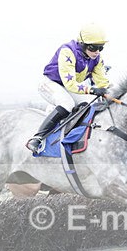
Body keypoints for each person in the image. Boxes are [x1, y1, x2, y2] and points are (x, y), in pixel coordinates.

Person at [26, 23, 111, 153]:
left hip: (70, 87)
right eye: (94, 47)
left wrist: (110, 93)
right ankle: (38, 137)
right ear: (83, 44)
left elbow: (102, 82)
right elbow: (70, 84)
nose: (97, 52)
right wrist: (92, 90)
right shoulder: (67, 51)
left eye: (101, 48)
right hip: (50, 83)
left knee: (91, 104)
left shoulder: (97, 58)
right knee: (67, 103)